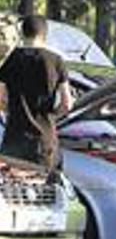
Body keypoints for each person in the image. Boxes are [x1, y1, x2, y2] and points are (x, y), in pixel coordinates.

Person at [0, 14, 73, 170]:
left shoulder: (11, 59)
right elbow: (67, 104)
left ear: (22, 33)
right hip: (44, 142)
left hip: (14, 140)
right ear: (44, 34)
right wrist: (52, 117)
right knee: (45, 192)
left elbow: (0, 98)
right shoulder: (56, 61)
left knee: (12, 191)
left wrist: (11, 111)